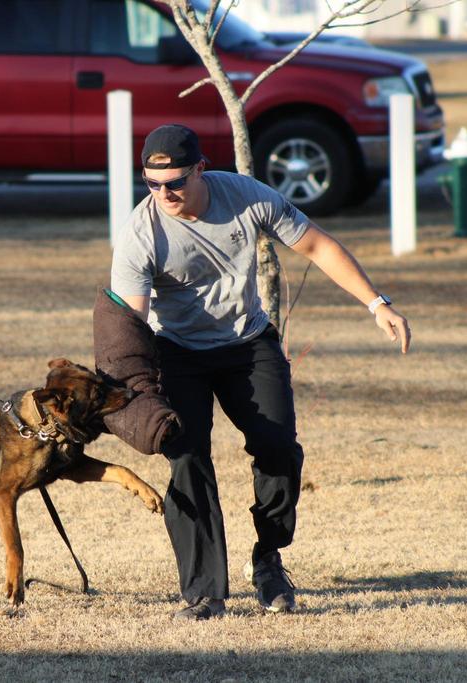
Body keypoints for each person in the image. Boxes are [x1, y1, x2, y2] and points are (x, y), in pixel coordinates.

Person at [110, 124, 410, 620]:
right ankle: (204, 593)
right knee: (187, 458)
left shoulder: (246, 196)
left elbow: (317, 246)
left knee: (277, 448)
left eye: (176, 182)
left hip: (247, 342)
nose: (164, 194)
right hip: (175, 350)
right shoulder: (140, 234)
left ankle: (268, 560)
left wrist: (377, 303)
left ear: (200, 169)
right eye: (153, 183)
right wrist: (131, 390)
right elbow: (132, 322)